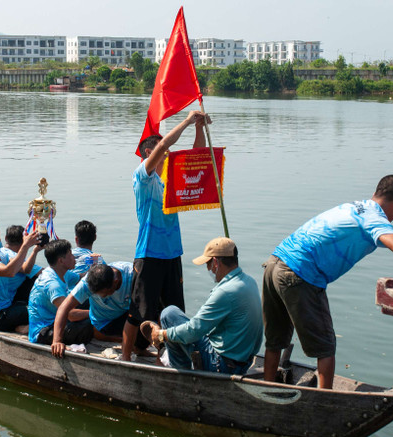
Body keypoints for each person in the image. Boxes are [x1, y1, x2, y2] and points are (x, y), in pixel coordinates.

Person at [262, 175, 393, 389]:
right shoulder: (374, 219)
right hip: (299, 273)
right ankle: (326, 403)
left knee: (275, 340)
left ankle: (266, 388)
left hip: (275, 263)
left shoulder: (355, 207)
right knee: (325, 348)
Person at [121, 110, 210, 361]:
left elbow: (196, 157)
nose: (169, 154)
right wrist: (186, 119)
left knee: (173, 309)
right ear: (150, 154)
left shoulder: (170, 178)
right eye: (164, 152)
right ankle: (125, 357)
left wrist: (198, 127)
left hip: (172, 252)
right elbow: (163, 144)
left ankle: (170, 355)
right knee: (137, 311)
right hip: (149, 252)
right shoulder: (142, 176)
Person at [140, 237, 263, 374]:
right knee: (178, 327)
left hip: (221, 365)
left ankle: (181, 371)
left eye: (208, 264)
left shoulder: (225, 292)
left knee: (169, 314)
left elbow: (194, 330)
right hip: (243, 362)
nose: (208, 268)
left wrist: (162, 334)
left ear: (215, 262)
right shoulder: (250, 282)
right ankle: (173, 355)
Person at [51, 262, 134, 357]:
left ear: (115, 282)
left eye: (106, 293)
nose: (103, 297)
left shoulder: (132, 275)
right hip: (104, 323)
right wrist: (57, 341)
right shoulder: (86, 283)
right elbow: (64, 307)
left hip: (126, 315)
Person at [27, 239, 92, 346]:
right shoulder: (52, 284)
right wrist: (96, 313)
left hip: (58, 318)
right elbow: (70, 315)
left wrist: (93, 271)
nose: (74, 257)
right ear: (61, 261)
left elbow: (80, 278)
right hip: (44, 330)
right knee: (88, 324)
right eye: (70, 255)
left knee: (90, 299)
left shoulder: (62, 272)